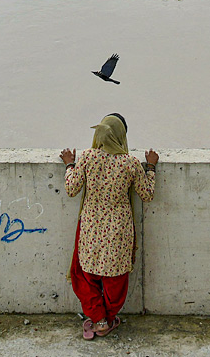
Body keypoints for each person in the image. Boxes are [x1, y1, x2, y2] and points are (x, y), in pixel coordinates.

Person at [60, 113, 157, 339]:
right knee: (115, 278)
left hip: (91, 227)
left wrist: (69, 164)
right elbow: (147, 194)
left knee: (86, 275)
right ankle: (109, 318)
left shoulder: (87, 157)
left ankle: (98, 319)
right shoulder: (131, 163)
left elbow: (72, 189)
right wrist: (151, 167)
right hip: (118, 230)